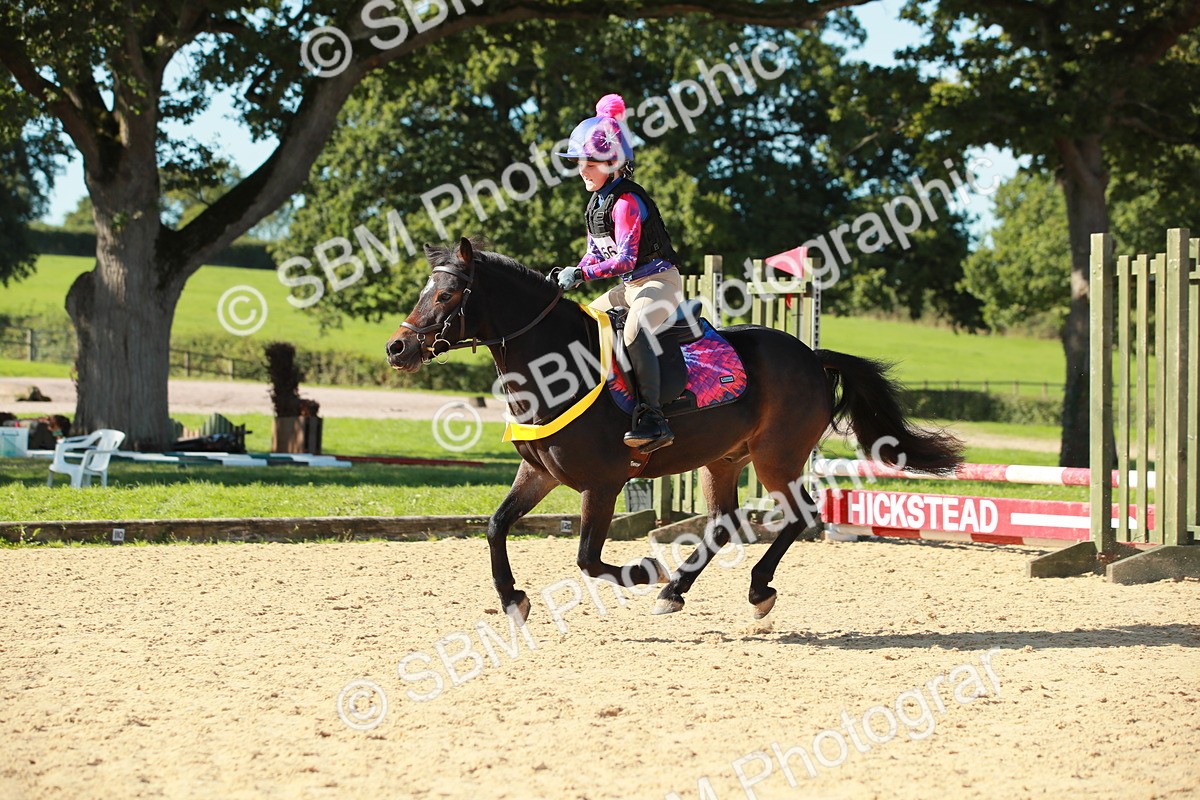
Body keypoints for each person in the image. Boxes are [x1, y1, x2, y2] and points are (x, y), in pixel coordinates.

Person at [555, 93, 684, 454]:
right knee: (582, 323)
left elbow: (625, 260)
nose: (582, 168)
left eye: (591, 162)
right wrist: (569, 273)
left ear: (613, 163)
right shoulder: (595, 202)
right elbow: (593, 254)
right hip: (629, 288)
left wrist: (581, 276)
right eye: (581, 161)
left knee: (634, 330)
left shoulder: (626, 202)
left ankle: (653, 417)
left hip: (660, 282)